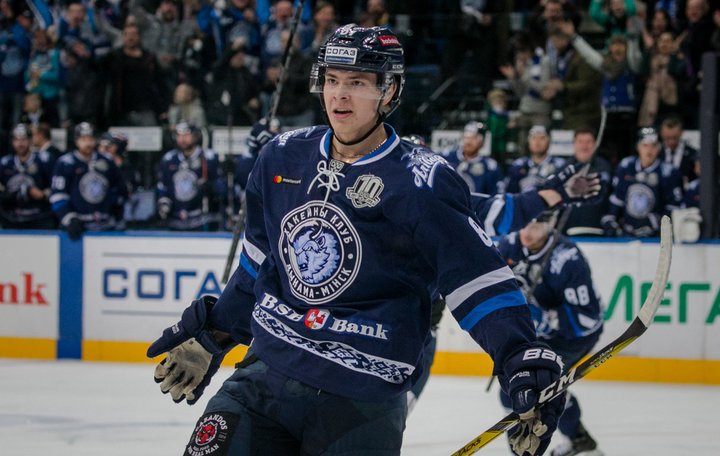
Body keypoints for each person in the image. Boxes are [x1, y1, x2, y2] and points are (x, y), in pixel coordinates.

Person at [147, 25, 566, 456]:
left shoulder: (423, 181)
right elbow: (258, 265)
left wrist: (518, 355)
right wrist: (218, 330)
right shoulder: (282, 156)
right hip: (264, 376)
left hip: (362, 398)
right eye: (331, 80)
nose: (339, 95)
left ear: (390, 90)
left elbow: (477, 281)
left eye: (357, 83)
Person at [497, 213, 605, 456]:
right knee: (524, 389)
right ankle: (578, 439)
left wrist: (544, 320)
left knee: (525, 390)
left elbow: (586, 320)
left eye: (536, 226)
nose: (527, 231)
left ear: (551, 223)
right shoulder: (509, 245)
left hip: (572, 337)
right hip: (538, 335)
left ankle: (529, 451)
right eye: (524, 223)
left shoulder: (567, 259)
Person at [50, 122, 127, 240]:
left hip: (106, 226)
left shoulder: (107, 162)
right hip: (78, 227)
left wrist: (116, 214)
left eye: (90, 139)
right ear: (76, 141)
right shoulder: (65, 163)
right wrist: (69, 218)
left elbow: (118, 190)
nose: (88, 143)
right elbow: (58, 195)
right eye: (83, 139)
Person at [602, 127, 683, 237]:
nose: (649, 150)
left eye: (653, 146)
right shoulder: (626, 166)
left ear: (659, 148)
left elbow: (673, 207)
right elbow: (617, 198)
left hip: (656, 236)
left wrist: (655, 222)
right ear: (638, 147)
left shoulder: (668, 172)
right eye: (645, 145)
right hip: (626, 232)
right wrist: (610, 219)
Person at [156, 122, 225, 231]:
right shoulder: (169, 159)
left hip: (202, 220)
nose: (183, 139)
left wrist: (210, 188)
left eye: (187, 135)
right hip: (175, 220)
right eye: (179, 135)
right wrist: (164, 204)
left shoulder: (208, 158)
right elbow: (163, 186)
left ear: (195, 136)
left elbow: (221, 189)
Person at [0, 124, 56, 229]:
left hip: (40, 218)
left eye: (23, 140)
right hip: (12, 219)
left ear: (30, 140)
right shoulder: (5, 163)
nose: (20, 144)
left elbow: (57, 187)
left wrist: (44, 194)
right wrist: (6, 194)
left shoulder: (44, 160)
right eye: (17, 140)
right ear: (12, 142)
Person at [562, 129, 613, 237]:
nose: (584, 146)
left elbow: (612, 196)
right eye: (580, 141)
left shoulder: (605, 167)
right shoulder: (564, 169)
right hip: (569, 231)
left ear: (595, 144)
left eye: (588, 142)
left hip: (599, 232)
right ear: (574, 144)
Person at [441, 121, 504, 196]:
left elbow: (496, 196)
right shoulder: (445, 158)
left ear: (482, 142)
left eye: (474, 138)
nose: (468, 141)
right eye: (466, 137)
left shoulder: (490, 167)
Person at [506, 125, 566, 194]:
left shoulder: (560, 165)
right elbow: (509, 194)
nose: (537, 142)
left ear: (549, 141)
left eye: (542, 138)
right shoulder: (518, 165)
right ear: (528, 141)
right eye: (534, 138)